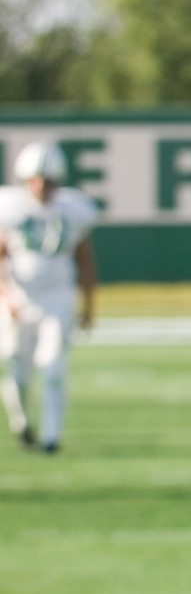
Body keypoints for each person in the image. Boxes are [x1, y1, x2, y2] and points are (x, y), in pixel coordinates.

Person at [0, 141, 98, 453]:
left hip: (57, 297)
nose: (43, 186)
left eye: (49, 180)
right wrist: (7, 296)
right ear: (25, 180)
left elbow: (85, 260)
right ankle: (23, 424)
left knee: (54, 366)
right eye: (37, 179)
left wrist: (88, 306)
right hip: (19, 297)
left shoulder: (74, 209)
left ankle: (51, 437)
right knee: (15, 368)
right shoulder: (10, 207)